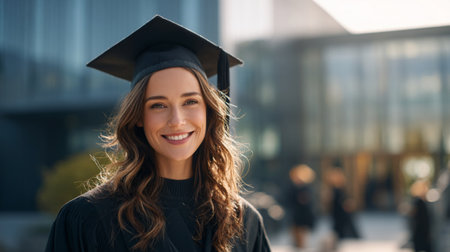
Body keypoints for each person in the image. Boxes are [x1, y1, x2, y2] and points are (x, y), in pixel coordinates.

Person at [45, 15, 271, 252]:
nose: (177, 121)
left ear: (209, 110)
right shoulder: (87, 218)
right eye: (158, 105)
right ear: (138, 117)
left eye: (190, 101)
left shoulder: (243, 222)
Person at [287, 164, 316, 248]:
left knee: (301, 241)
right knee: (295, 240)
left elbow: (309, 203)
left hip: (303, 217)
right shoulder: (292, 187)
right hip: (295, 216)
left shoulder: (306, 188)